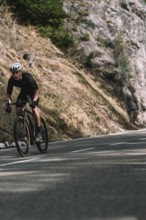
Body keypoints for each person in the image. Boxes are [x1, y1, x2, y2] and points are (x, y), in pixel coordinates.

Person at [5, 62, 42, 142]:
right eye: (13, 73)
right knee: (18, 110)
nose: (15, 75)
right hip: (24, 92)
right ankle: (29, 129)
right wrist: (8, 103)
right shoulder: (11, 80)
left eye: (17, 72)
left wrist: (34, 101)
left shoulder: (28, 77)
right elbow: (8, 94)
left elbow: (37, 90)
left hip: (33, 92)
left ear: (20, 71)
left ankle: (39, 132)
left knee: (34, 109)